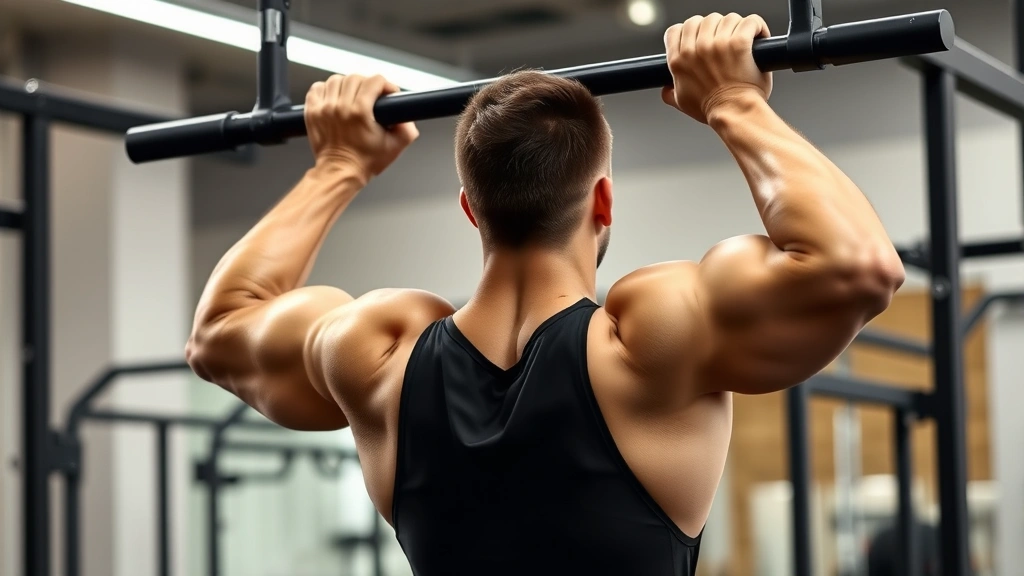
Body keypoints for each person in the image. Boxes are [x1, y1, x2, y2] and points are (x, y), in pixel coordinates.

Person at [186, 13, 905, 576]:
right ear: (603, 202)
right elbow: (859, 268)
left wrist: (338, 166)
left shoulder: (375, 354)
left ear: (472, 208)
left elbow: (220, 330)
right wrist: (731, 101)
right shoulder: (650, 339)